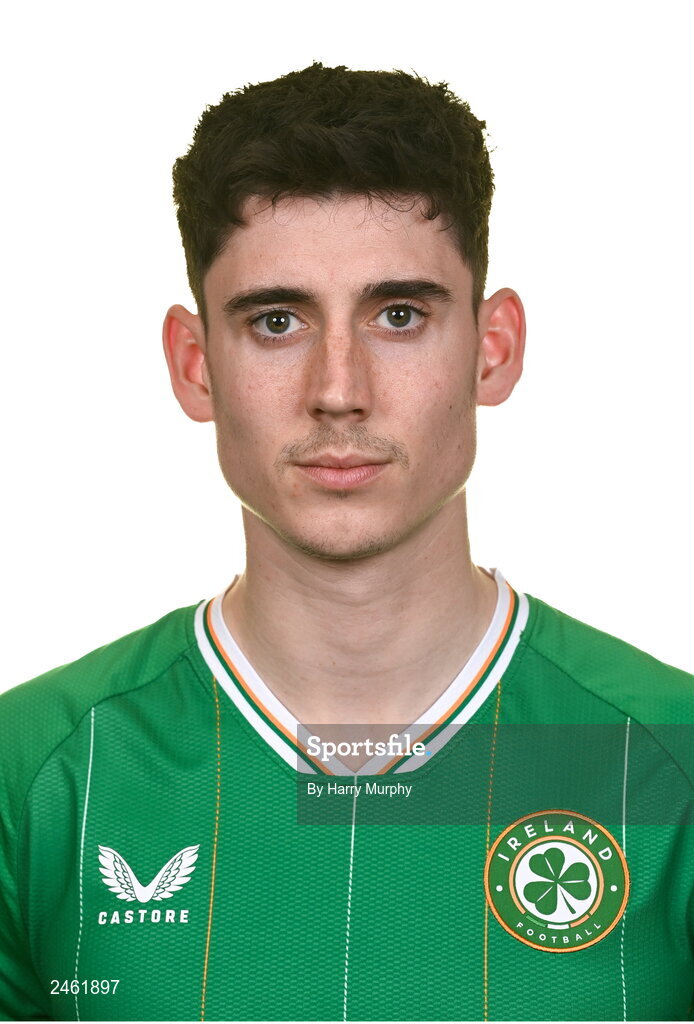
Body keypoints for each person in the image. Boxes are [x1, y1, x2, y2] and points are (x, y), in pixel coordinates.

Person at [0, 62, 691, 1024]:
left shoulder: (672, 759)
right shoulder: (33, 771)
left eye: (399, 315)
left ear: (493, 347)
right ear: (194, 366)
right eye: (276, 322)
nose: (339, 388)